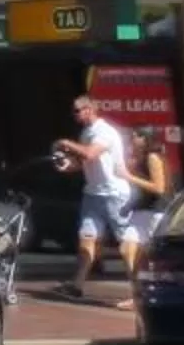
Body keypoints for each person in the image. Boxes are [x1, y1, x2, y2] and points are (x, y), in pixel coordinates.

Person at [50, 95, 132, 303]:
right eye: (74, 111)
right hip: (93, 193)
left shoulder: (104, 131)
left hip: (114, 193)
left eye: (78, 110)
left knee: (127, 243)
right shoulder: (86, 132)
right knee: (87, 238)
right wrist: (66, 166)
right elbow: (83, 163)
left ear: (90, 109)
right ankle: (77, 285)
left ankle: (138, 290)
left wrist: (65, 143)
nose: (75, 114)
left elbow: (90, 154)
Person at [122, 126, 175, 285]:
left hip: (156, 211)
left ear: (146, 139)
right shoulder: (140, 158)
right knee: (127, 250)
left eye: (137, 135)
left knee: (156, 254)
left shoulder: (153, 157)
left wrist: (129, 176)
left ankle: (163, 287)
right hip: (141, 211)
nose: (132, 138)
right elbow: (141, 189)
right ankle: (137, 292)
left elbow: (158, 188)